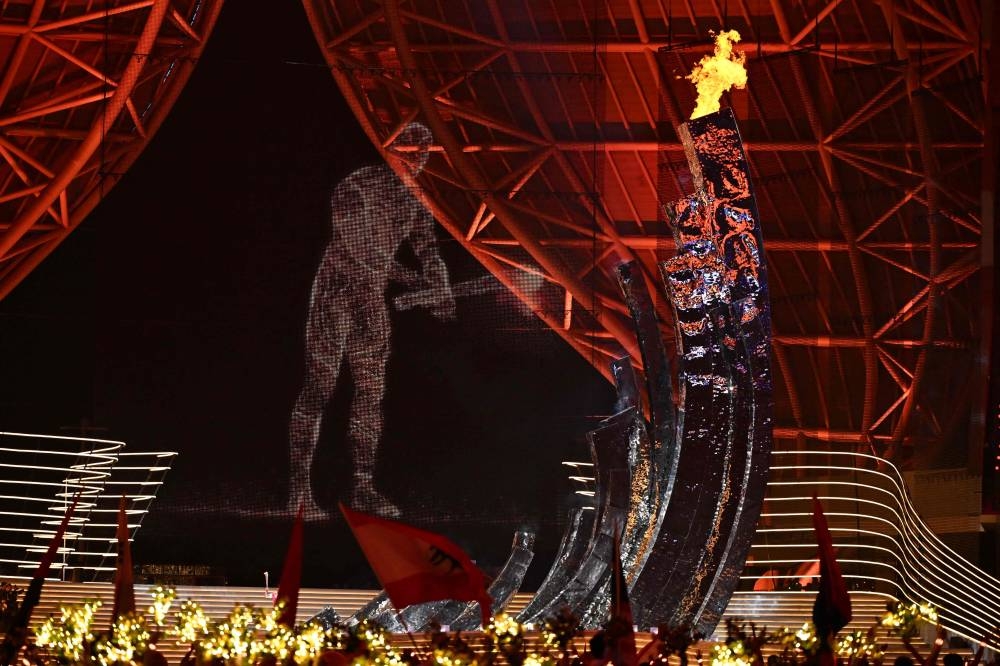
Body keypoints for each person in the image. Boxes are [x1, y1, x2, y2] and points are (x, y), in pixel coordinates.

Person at [288, 122, 455, 519]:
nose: (415, 160)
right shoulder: (355, 188)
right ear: (391, 151)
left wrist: (441, 290)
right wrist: (415, 280)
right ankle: (299, 491)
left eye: (422, 154)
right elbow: (359, 246)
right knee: (320, 386)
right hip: (336, 292)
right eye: (408, 151)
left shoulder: (416, 201)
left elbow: (430, 252)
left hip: (370, 299)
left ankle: (362, 486)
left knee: (371, 394)